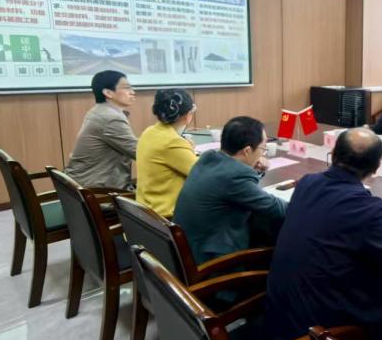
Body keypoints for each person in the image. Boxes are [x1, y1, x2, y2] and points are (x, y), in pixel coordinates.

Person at [264, 127, 382, 340]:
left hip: (278, 325)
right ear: (376, 168)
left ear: (333, 154)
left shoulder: (306, 184)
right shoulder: (367, 209)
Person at [173, 116, 286, 265]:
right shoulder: (235, 177)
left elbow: (232, 186)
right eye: (262, 148)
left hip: (189, 250)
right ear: (247, 151)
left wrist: (253, 170)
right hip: (212, 263)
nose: (262, 154)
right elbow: (275, 207)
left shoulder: (208, 157)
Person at [65, 70, 138, 189]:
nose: (132, 92)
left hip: (81, 184)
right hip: (97, 191)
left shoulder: (99, 111)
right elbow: (140, 152)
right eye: (126, 88)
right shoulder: (111, 118)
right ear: (108, 93)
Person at [135, 89, 198, 218]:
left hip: (145, 211)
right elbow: (202, 173)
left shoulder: (149, 132)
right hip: (166, 218)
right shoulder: (172, 141)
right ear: (188, 115)